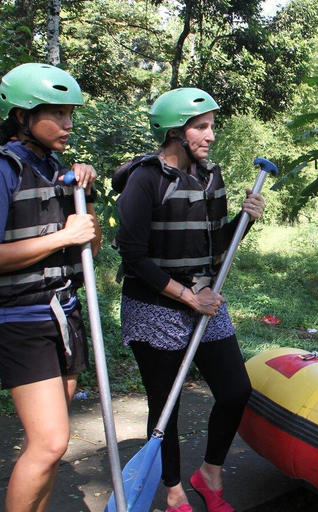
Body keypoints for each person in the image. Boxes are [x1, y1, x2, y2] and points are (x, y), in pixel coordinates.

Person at [113, 88, 265, 512]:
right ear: (174, 132)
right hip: (155, 306)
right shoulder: (145, 180)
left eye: (211, 125)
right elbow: (134, 256)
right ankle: (174, 488)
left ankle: (210, 473)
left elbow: (216, 243)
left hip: (204, 299)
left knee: (236, 390)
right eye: (201, 126)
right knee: (167, 406)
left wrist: (243, 220)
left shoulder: (210, 175)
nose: (211, 135)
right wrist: (186, 296)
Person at [0, 63, 101, 512]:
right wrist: (63, 236)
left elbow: (89, 251)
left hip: (63, 313)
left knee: (48, 448)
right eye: (57, 114)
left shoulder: (57, 170)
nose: (68, 124)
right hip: (23, 321)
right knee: (50, 443)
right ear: (22, 116)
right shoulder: (5, 169)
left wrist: (86, 201)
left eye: (70, 114)